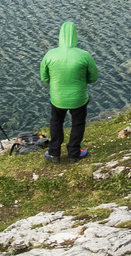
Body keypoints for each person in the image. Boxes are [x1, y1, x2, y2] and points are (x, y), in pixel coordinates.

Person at [39, 20, 97, 162]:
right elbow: (93, 78)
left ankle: (54, 153)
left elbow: (44, 77)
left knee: (56, 121)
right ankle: (74, 154)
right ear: (75, 36)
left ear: (60, 36)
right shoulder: (84, 55)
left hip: (57, 98)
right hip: (79, 98)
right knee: (78, 123)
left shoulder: (50, 54)